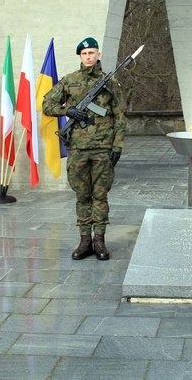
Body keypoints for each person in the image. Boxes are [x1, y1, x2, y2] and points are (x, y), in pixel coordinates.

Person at [42, 37, 127, 261]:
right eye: (84, 53)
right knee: (82, 195)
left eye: (92, 52)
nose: (88, 57)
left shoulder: (111, 82)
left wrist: (117, 145)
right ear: (80, 56)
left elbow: (119, 116)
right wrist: (68, 111)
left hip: (102, 148)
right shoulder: (69, 81)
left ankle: (99, 241)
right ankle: (84, 241)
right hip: (78, 149)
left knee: (100, 195)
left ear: (98, 54)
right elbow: (47, 105)